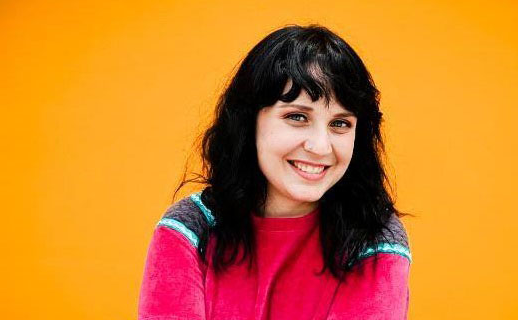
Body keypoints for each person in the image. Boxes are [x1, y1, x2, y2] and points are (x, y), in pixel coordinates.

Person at [138, 24, 413, 320]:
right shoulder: (191, 230)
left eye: (340, 124)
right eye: (297, 116)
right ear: (249, 121)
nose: (321, 146)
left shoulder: (376, 240)